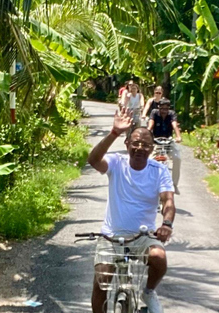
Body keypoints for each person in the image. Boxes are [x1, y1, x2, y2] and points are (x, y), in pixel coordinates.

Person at [87, 107, 175, 313]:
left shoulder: (159, 170)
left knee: (159, 258)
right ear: (127, 145)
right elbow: (93, 160)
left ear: (152, 149)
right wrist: (114, 132)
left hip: (142, 236)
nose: (140, 148)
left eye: (145, 144)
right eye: (135, 143)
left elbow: (168, 201)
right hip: (111, 236)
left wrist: (167, 224)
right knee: (102, 279)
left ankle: (149, 291)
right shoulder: (117, 163)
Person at [147, 99, 182, 195]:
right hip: (156, 141)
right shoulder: (154, 113)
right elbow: (151, 124)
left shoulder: (172, 114)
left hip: (169, 141)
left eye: (166, 109)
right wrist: (147, 133)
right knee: (150, 160)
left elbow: (174, 125)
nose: (164, 111)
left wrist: (178, 136)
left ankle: (174, 184)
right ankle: (149, 183)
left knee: (177, 158)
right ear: (158, 108)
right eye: (162, 108)